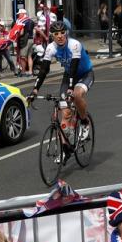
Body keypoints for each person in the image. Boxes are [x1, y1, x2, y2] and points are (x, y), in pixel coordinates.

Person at [29, 21, 93, 162]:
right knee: (65, 112)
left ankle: (84, 122)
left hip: (84, 74)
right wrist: (35, 89)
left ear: (66, 33)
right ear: (52, 35)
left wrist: (71, 87)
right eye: (56, 34)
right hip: (68, 75)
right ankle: (66, 150)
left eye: (62, 33)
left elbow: (74, 67)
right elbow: (44, 70)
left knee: (76, 95)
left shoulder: (74, 44)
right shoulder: (51, 48)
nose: (59, 36)